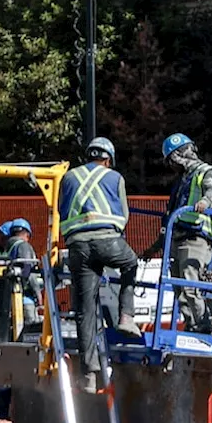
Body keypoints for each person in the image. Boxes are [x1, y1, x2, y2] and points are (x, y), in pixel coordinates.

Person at [59, 136, 142, 393]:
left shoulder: (69, 177)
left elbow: (62, 210)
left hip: (77, 246)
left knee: (85, 309)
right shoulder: (115, 178)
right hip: (107, 240)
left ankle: (88, 375)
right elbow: (124, 216)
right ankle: (126, 317)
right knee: (130, 263)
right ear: (108, 159)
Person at [162, 132, 212, 335]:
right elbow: (171, 214)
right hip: (177, 238)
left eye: (172, 160)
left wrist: (204, 202)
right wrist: (156, 245)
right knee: (179, 288)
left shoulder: (205, 172)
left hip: (196, 238)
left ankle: (204, 326)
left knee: (189, 283)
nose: (172, 165)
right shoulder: (181, 181)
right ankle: (192, 324)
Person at [4, 217, 43, 328]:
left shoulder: (9, 248)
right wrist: (38, 293)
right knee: (29, 330)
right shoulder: (24, 246)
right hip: (26, 299)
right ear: (26, 233)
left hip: (11, 296)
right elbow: (28, 271)